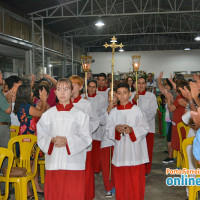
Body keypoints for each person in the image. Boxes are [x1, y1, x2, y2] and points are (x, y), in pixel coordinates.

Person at [37, 78, 92, 200]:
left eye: (66, 89)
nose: (62, 93)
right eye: (59, 89)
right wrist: (51, 140)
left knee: (73, 194)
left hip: (74, 163)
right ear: (55, 92)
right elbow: (41, 135)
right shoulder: (48, 115)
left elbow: (86, 138)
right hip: (54, 162)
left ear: (72, 91)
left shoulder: (80, 115)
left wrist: (68, 141)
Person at [106, 82, 149, 200]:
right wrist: (116, 129)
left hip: (135, 151)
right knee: (121, 182)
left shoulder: (137, 110)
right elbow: (108, 129)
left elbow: (145, 127)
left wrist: (132, 130)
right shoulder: (114, 112)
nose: (122, 96)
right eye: (119, 93)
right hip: (121, 151)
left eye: (125, 92)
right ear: (116, 95)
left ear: (130, 94)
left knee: (135, 182)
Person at [14, 83, 47, 198]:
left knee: (33, 163)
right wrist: (43, 100)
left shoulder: (25, 105)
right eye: (31, 91)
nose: (33, 93)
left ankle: (36, 187)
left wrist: (42, 102)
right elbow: (42, 113)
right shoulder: (25, 107)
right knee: (28, 164)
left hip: (29, 138)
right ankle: (27, 191)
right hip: (27, 140)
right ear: (26, 93)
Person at [69, 75, 99, 200]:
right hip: (69, 144)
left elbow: (95, 121)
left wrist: (84, 132)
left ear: (81, 87)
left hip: (83, 144)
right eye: (69, 84)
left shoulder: (86, 104)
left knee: (85, 171)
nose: (71, 87)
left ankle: (85, 195)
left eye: (74, 85)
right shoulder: (63, 103)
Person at [131, 77, 158, 176]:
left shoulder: (151, 96)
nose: (141, 85)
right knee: (136, 149)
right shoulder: (131, 95)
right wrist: (134, 100)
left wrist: (140, 120)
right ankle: (137, 167)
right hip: (134, 128)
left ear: (146, 85)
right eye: (139, 83)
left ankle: (146, 170)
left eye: (143, 83)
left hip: (148, 127)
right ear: (135, 85)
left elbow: (152, 111)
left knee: (147, 149)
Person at [100, 88, 118, 198]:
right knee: (107, 167)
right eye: (110, 96)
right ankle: (108, 187)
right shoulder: (104, 110)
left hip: (118, 143)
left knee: (117, 167)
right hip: (107, 142)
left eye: (114, 95)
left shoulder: (122, 109)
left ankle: (117, 186)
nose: (112, 98)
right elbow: (101, 121)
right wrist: (108, 111)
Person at [87, 80, 106, 174]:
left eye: (94, 87)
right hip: (86, 126)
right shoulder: (83, 98)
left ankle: (96, 168)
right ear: (87, 87)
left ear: (96, 88)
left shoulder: (101, 98)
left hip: (97, 126)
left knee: (96, 148)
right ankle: (89, 167)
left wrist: (96, 120)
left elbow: (102, 112)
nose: (91, 89)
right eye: (90, 86)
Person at [0, 70, 13, 193]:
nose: (2, 77)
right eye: (0, 74)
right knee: (4, 156)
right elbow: (8, 110)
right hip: (2, 128)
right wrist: (8, 99)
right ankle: (4, 189)